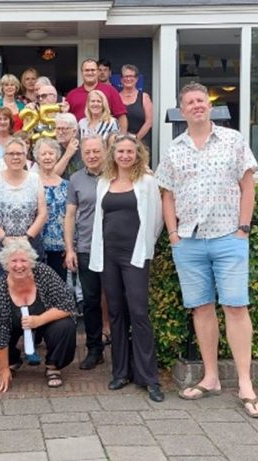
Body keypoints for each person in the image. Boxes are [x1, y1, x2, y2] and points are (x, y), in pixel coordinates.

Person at [156, 82, 258, 418]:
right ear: (182, 110)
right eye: (189, 102)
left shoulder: (232, 140)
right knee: (201, 309)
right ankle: (211, 377)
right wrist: (173, 234)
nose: (196, 106)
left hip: (227, 238)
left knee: (235, 307)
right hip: (189, 241)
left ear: (209, 105)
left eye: (200, 100)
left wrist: (243, 229)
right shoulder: (174, 149)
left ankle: (245, 384)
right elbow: (168, 195)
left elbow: (247, 185)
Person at [90, 133, 164, 402]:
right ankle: (120, 372)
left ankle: (148, 377)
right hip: (108, 256)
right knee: (117, 313)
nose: (124, 156)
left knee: (139, 312)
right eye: (120, 151)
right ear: (114, 155)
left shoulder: (147, 182)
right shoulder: (103, 182)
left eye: (129, 152)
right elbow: (100, 219)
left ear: (137, 154)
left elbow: (156, 222)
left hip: (134, 256)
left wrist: (144, 249)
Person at [0, 239, 78, 391]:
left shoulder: (44, 273)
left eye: (23, 260)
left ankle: (53, 366)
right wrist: (3, 369)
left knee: (65, 325)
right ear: (6, 264)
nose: (19, 266)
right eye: (14, 261)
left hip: (44, 320)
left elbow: (68, 304)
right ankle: (12, 361)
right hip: (13, 325)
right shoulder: (1, 287)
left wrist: (39, 320)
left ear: (31, 261)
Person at [0, 138, 47, 299]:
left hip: (30, 245)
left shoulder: (35, 179)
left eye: (19, 153)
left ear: (26, 156)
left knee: (31, 294)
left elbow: (43, 213)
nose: (15, 157)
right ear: (4, 157)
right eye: (11, 154)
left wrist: (27, 237)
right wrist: (4, 238)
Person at [64, 135, 107, 370]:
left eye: (96, 151)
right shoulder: (76, 179)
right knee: (90, 301)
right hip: (86, 248)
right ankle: (94, 349)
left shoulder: (115, 173)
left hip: (113, 249)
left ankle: (122, 349)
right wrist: (69, 248)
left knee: (118, 300)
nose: (91, 156)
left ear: (104, 151)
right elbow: (70, 216)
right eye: (87, 152)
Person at [35, 138, 69, 280]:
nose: (47, 157)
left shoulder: (67, 185)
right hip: (36, 245)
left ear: (57, 156)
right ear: (37, 157)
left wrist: (70, 245)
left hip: (60, 246)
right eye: (43, 154)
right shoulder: (31, 182)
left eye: (51, 153)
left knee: (59, 285)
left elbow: (71, 216)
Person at [66, 59, 128, 133]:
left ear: (98, 72)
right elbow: (67, 121)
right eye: (87, 70)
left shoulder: (110, 91)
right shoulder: (72, 95)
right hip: (80, 139)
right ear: (82, 72)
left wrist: (121, 139)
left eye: (93, 70)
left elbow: (121, 117)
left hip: (106, 139)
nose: (90, 73)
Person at [120, 64, 153, 149]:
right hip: (120, 144)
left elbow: (149, 122)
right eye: (125, 76)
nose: (128, 79)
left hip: (140, 144)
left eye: (131, 76)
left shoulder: (144, 97)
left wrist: (135, 139)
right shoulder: (116, 97)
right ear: (121, 79)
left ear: (137, 79)